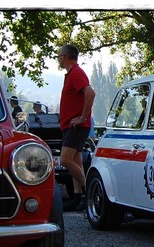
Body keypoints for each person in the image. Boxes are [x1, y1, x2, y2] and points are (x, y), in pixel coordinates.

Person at [57, 44, 96, 211]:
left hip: (77, 126)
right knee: (76, 162)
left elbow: (90, 93)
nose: (58, 59)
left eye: (59, 56)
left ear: (64, 57)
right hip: (70, 126)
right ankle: (77, 198)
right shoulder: (72, 74)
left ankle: (93, 192)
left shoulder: (76, 73)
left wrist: (82, 117)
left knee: (65, 160)